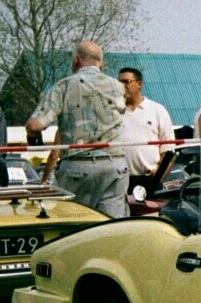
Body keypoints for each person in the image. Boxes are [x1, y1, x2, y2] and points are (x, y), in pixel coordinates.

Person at [26, 41, 129, 217]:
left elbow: (35, 125)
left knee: (75, 224)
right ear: (101, 63)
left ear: (75, 60)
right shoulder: (118, 87)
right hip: (116, 166)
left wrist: (32, 135)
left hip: (79, 167)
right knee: (112, 226)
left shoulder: (64, 86)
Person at [118, 67, 174, 192]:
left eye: (126, 82)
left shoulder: (157, 110)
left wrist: (160, 175)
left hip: (149, 179)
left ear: (139, 84)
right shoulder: (114, 112)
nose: (122, 86)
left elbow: (168, 148)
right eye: (119, 82)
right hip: (119, 180)